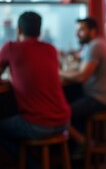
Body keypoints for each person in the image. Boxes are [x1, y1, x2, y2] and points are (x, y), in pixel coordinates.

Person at [0, 11, 71, 165]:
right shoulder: (51, 49)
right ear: (39, 31)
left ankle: (32, 165)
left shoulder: (11, 48)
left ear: (18, 30)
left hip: (38, 124)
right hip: (64, 120)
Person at [60, 18, 106, 145]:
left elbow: (82, 76)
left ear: (92, 31)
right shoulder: (97, 43)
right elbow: (81, 70)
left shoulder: (95, 46)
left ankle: (82, 144)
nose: (77, 34)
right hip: (101, 96)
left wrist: (58, 72)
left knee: (63, 112)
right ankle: (81, 144)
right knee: (70, 100)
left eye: (81, 30)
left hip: (99, 99)